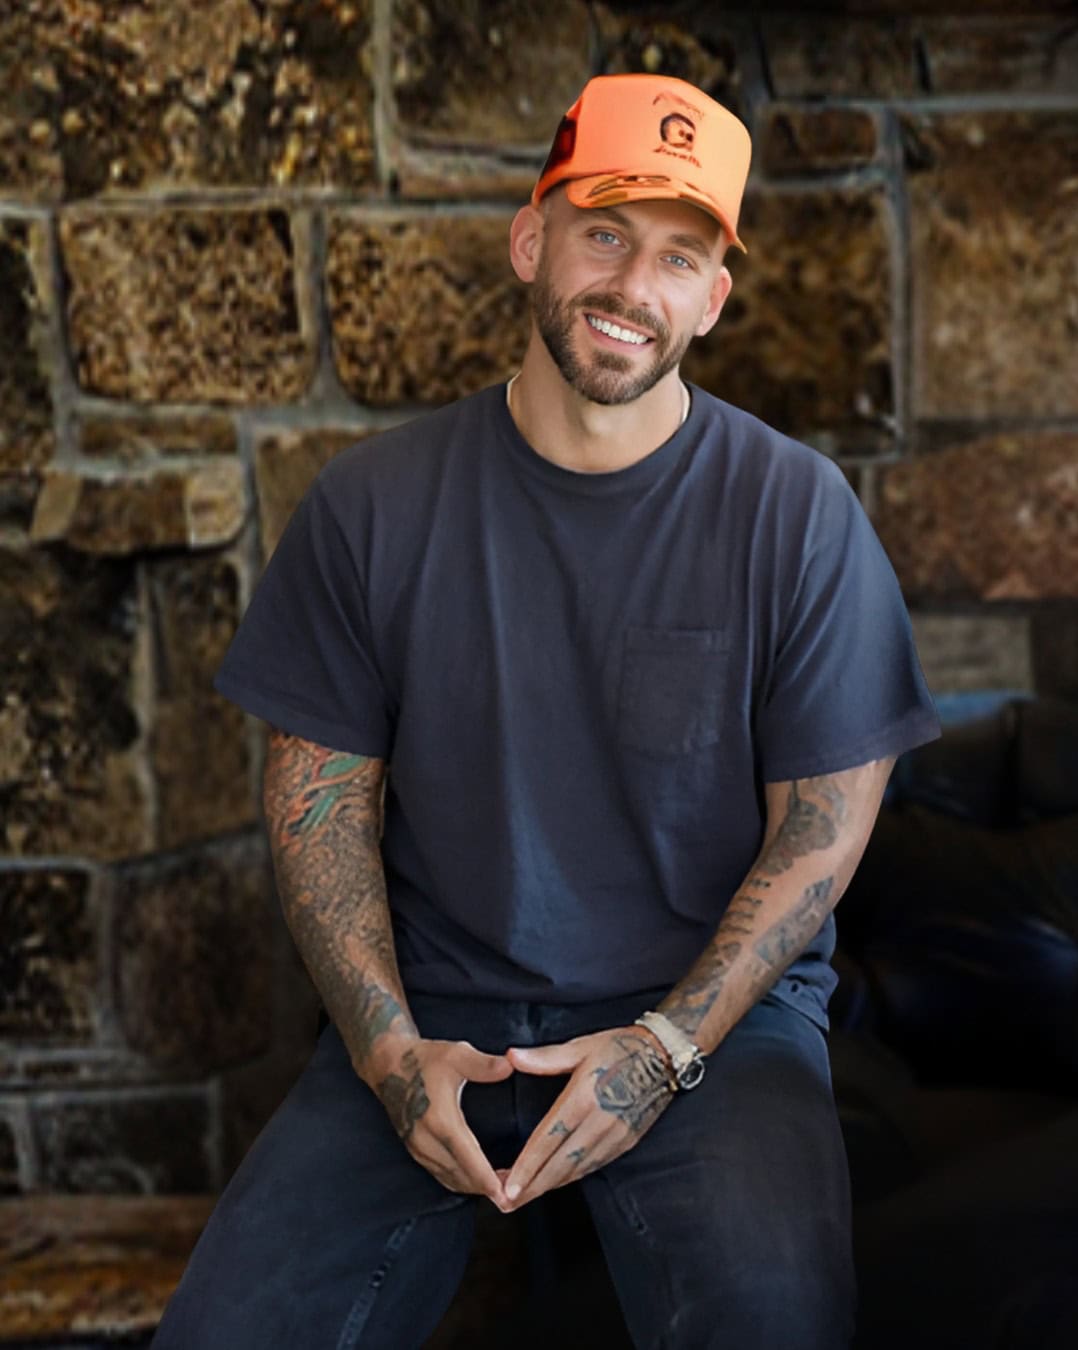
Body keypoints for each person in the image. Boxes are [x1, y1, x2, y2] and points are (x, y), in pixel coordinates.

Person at [153, 73, 940, 1349]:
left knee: (773, 1321)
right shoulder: (371, 507)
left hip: (709, 1032)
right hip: (435, 1015)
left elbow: (823, 832)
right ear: (534, 238)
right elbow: (316, 805)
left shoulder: (797, 515)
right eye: (606, 233)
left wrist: (665, 1049)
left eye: (680, 258)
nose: (635, 286)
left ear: (713, 302)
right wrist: (387, 1050)